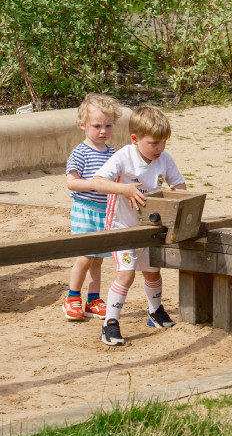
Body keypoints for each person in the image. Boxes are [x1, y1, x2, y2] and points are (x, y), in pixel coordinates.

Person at [92, 104, 187, 346]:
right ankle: (110, 323)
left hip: (150, 229)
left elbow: (180, 185)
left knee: (152, 270)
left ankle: (155, 312)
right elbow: (98, 181)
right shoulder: (124, 156)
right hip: (122, 227)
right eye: (154, 143)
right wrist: (123, 188)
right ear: (135, 139)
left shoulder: (164, 158)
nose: (160, 149)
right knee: (126, 274)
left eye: (163, 143)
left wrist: (177, 191)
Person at [64, 94, 123, 321]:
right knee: (85, 257)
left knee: (97, 259)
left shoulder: (112, 153)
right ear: (83, 125)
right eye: (97, 126)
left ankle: (93, 299)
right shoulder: (81, 152)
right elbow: (71, 181)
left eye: (108, 126)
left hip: (105, 214)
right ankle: (72, 297)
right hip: (85, 210)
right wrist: (95, 185)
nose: (103, 131)